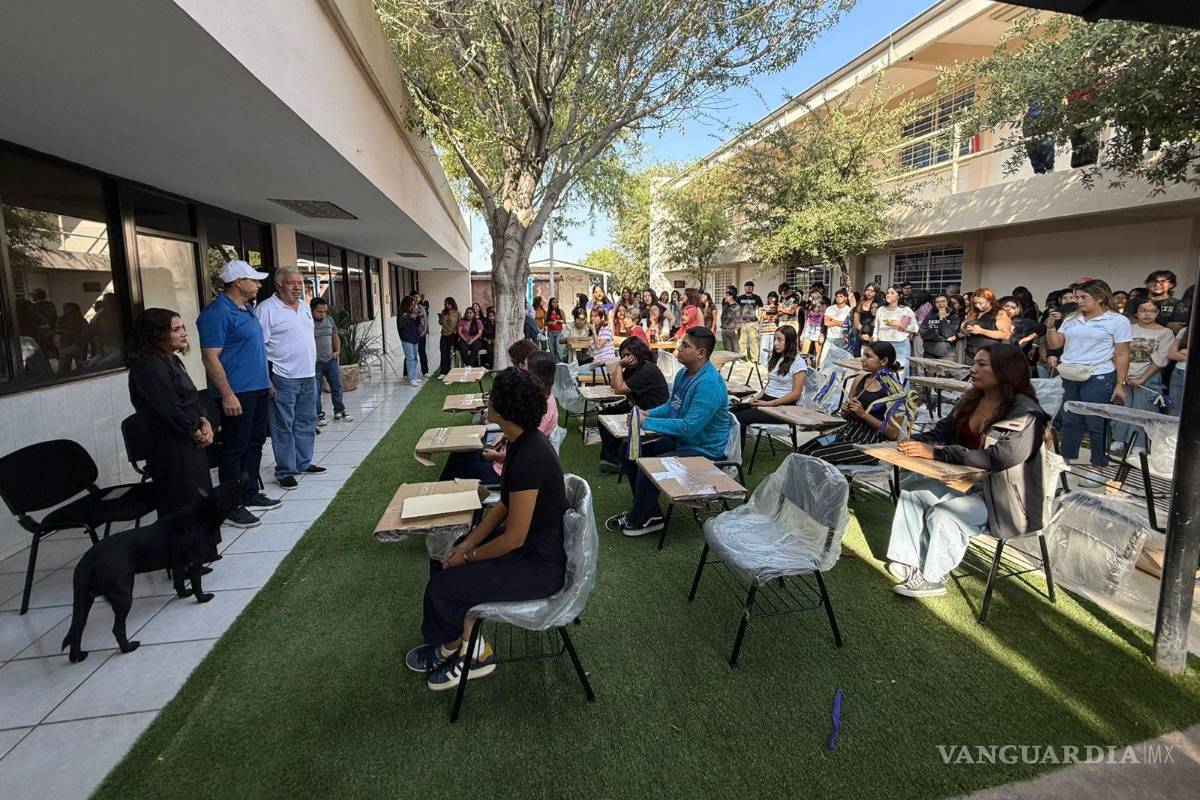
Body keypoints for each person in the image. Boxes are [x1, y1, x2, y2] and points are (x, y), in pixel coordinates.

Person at [407, 367, 568, 690]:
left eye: (491, 397)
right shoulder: (520, 442)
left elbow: (514, 537)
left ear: (505, 407)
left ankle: (474, 654)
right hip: (528, 550)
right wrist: (466, 546)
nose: (487, 402)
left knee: (444, 586)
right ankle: (454, 644)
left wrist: (468, 558)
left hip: (539, 566)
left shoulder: (529, 454)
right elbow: (504, 507)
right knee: (445, 558)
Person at [885, 344, 1050, 598]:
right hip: (964, 483)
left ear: (1005, 371)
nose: (973, 369)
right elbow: (942, 432)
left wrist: (938, 453)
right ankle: (908, 559)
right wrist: (914, 442)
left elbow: (1001, 457)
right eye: (975, 363)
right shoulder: (972, 399)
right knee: (913, 491)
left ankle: (933, 577)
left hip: (1004, 500)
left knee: (946, 514)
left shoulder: (1027, 413)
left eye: (982, 365)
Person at [604, 327, 731, 537]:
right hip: (682, 441)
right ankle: (649, 512)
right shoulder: (683, 373)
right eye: (681, 344)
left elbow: (689, 426)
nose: (678, 349)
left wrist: (647, 423)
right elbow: (671, 406)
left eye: (685, 346)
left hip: (703, 450)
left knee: (649, 469)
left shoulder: (709, 384)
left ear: (701, 353)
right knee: (629, 450)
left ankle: (639, 519)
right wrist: (648, 413)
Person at [129, 308, 239, 550]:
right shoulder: (147, 366)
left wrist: (205, 421)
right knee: (181, 502)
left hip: (190, 440)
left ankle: (200, 554)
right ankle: (182, 560)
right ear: (157, 334)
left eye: (183, 328)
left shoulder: (172, 360)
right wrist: (194, 430)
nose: (184, 334)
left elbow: (190, 397)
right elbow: (167, 406)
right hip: (170, 445)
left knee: (197, 498)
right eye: (176, 329)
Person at [197, 260, 275, 528]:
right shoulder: (217, 313)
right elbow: (210, 358)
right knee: (235, 448)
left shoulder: (247, 308)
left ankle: (249, 491)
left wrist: (266, 382)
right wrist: (227, 394)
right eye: (253, 280)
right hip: (237, 392)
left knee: (255, 443)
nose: (258, 284)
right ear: (237, 282)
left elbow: (255, 350)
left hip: (257, 389)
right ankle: (231, 505)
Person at [1045, 279, 1131, 471]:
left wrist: (1120, 383)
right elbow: (1055, 344)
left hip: (1099, 375)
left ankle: (1097, 466)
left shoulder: (1117, 320)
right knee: (1070, 420)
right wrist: (1050, 326)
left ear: (1100, 297)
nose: (1079, 301)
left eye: (1084, 297)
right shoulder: (1072, 318)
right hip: (1071, 374)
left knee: (1096, 422)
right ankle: (1065, 461)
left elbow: (1122, 353)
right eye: (1077, 297)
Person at [439, 348, 557, 484]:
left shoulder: (541, 412)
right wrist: (505, 435)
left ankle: (449, 493)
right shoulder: (535, 401)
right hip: (504, 457)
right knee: (461, 451)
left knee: (462, 468)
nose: (520, 367)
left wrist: (496, 456)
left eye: (524, 365)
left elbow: (527, 453)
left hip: (504, 470)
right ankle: (443, 491)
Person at [256, 266, 323, 491]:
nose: (297, 287)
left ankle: (303, 462)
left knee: (307, 421)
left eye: (300, 282)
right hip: (283, 377)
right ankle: (285, 470)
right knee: (283, 425)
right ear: (279, 285)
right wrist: (266, 379)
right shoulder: (266, 310)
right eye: (291, 283)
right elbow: (258, 348)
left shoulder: (304, 306)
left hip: (308, 375)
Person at [796, 342, 914, 466]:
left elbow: (893, 433)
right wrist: (846, 411)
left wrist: (863, 414)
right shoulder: (859, 379)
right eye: (863, 355)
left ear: (883, 361)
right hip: (847, 433)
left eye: (868, 356)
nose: (863, 359)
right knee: (803, 451)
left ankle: (829, 485)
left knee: (817, 458)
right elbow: (846, 416)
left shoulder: (895, 390)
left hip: (871, 444)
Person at [1110, 298, 1175, 452]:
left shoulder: (1165, 332)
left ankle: (1139, 443)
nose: (1147, 314)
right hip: (1124, 373)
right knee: (1123, 406)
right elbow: (1116, 352)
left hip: (1150, 375)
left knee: (1144, 409)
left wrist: (1142, 378)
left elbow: (1161, 357)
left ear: (1158, 313)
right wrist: (1122, 374)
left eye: (1152, 311)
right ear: (1136, 312)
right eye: (1143, 310)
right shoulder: (1128, 328)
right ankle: (1119, 438)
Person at [598, 336, 670, 470]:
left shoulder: (648, 370)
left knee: (608, 415)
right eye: (623, 356)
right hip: (637, 407)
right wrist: (620, 366)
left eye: (628, 355)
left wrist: (619, 365)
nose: (625, 359)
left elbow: (619, 390)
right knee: (605, 414)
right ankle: (612, 457)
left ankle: (615, 461)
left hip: (650, 412)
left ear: (638, 352)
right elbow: (614, 385)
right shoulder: (635, 368)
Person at [731, 326, 808, 450]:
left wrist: (770, 404)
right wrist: (756, 397)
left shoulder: (799, 364)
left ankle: (736, 458)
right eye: (775, 339)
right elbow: (770, 384)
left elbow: (796, 394)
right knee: (731, 411)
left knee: (739, 418)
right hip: (767, 400)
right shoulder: (777, 358)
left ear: (790, 341)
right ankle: (726, 449)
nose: (775, 343)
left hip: (782, 407)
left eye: (780, 340)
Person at [313, 297, 351, 424]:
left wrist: (338, 351)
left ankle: (339, 411)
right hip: (315, 362)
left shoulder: (329, 320)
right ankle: (318, 415)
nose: (323, 314)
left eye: (324, 311)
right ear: (312, 310)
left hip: (330, 360)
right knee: (316, 389)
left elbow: (335, 336)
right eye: (319, 312)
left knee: (337, 386)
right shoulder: (307, 322)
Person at [872, 287, 918, 371]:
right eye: (887, 293)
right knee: (884, 371)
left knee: (900, 372)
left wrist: (899, 324)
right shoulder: (881, 310)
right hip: (884, 345)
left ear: (899, 296)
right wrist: (875, 343)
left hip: (900, 345)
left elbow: (915, 328)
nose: (889, 295)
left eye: (892, 293)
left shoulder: (905, 310)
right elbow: (876, 328)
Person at [961, 288, 1012, 363]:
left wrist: (982, 331)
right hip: (970, 353)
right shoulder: (974, 313)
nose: (977, 306)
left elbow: (1006, 334)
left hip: (989, 354)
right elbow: (963, 328)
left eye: (981, 303)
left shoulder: (999, 313)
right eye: (975, 303)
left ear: (990, 300)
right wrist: (965, 330)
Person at [1000, 296, 1042, 369]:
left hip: (1015, 359)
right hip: (996, 358)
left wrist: (1028, 338)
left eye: (1013, 308)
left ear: (1018, 310)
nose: (1008, 309)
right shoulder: (994, 321)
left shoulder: (1022, 322)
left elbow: (1042, 328)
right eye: (1006, 306)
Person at [919, 294, 961, 360]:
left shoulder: (954, 317)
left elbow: (949, 334)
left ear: (948, 302)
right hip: (929, 353)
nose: (940, 303)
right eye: (937, 302)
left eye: (943, 301)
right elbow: (923, 333)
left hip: (946, 354)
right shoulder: (930, 316)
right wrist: (945, 339)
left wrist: (942, 318)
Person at [578, 308, 616, 377]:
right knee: (574, 368)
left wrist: (593, 330)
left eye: (595, 316)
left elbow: (598, 345)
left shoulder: (606, 329)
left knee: (575, 371)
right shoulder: (595, 331)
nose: (592, 318)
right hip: (597, 364)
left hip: (606, 367)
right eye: (591, 316)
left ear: (602, 317)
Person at [397, 295, 426, 385]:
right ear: (406, 304)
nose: (413, 306)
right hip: (406, 338)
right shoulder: (402, 313)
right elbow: (401, 325)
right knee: (410, 358)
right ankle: (411, 378)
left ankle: (414, 376)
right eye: (411, 304)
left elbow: (416, 324)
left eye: (413, 305)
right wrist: (410, 317)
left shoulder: (412, 312)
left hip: (414, 337)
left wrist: (419, 317)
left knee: (415, 358)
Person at [56, 301, 91, 373]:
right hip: (65, 346)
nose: (65, 310)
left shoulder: (81, 320)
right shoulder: (62, 320)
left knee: (81, 367)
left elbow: (86, 332)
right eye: (64, 308)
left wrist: (77, 341)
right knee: (63, 369)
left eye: (67, 308)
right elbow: (57, 330)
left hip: (79, 346)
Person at [736, 281, 764, 364]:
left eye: (750, 286)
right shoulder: (739, 298)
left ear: (753, 288)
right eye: (747, 286)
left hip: (753, 323)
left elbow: (760, 309)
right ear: (744, 287)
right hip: (742, 323)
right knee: (742, 342)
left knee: (753, 342)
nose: (748, 288)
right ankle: (743, 358)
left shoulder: (757, 298)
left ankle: (754, 359)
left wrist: (759, 321)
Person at [850, 284, 879, 357]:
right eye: (867, 290)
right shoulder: (861, 302)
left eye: (872, 291)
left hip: (873, 333)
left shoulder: (878, 304)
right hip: (859, 332)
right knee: (857, 355)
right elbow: (856, 320)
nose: (869, 292)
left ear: (876, 292)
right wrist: (862, 332)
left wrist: (870, 335)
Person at [822, 289, 852, 357]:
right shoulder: (830, 308)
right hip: (830, 337)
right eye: (837, 296)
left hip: (842, 338)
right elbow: (826, 322)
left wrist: (832, 320)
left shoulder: (849, 310)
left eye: (841, 296)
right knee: (824, 359)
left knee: (839, 360)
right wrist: (841, 323)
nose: (838, 298)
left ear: (845, 298)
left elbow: (846, 324)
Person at [800, 289, 827, 361]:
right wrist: (803, 333)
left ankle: (817, 367)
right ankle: (802, 367)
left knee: (818, 351)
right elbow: (807, 320)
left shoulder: (823, 306)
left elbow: (824, 320)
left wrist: (822, 334)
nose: (809, 298)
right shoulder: (809, 306)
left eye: (811, 296)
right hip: (809, 327)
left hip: (818, 328)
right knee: (804, 351)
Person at [1168, 327, 1189, 417]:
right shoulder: (1185, 330)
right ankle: (1175, 431)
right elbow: (1171, 354)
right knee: (1174, 410)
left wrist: (1183, 352)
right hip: (1179, 373)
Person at [437, 298, 460, 374]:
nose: (447, 306)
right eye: (446, 304)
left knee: (451, 353)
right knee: (443, 352)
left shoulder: (457, 313)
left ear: (452, 304)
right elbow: (440, 323)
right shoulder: (443, 312)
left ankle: (451, 370)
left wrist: (456, 331)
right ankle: (443, 372)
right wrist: (440, 318)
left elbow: (460, 324)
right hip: (444, 334)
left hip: (453, 335)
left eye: (449, 304)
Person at [412, 292, 430, 376]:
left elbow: (426, 320)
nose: (416, 299)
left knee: (422, 352)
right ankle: (407, 372)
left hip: (421, 334)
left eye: (417, 297)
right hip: (412, 334)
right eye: (414, 297)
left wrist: (425, 331)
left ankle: (425, 371)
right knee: (411, 354)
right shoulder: (409, 308)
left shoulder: (422, 308)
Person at [545, 297, 566, 362]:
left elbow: (564, 321)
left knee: (558, 348)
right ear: (550, 303)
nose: (555, 303)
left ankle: (560, 361)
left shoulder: (560, 311)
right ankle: (553, 362)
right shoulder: (548, 312)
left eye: (556, 302)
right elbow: (545, 323)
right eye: (554, 302)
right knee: (552, 348)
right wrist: (551, 323)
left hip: (559, 332)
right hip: (550, 332)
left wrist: (560, 321)